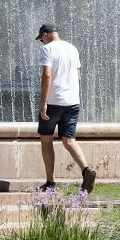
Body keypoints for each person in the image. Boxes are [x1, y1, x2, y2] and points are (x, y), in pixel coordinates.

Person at [35, 24, 96, 193]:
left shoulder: (47, 49)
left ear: (45, 35)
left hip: (54, 102)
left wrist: (43, 103)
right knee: (69, 140)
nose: (42, 42)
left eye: (41, 39)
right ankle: (86, 170)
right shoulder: (72, 48)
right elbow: (78, 77)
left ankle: (50, 182)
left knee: (46, 140)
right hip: (72, 102)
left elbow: (47, 75)